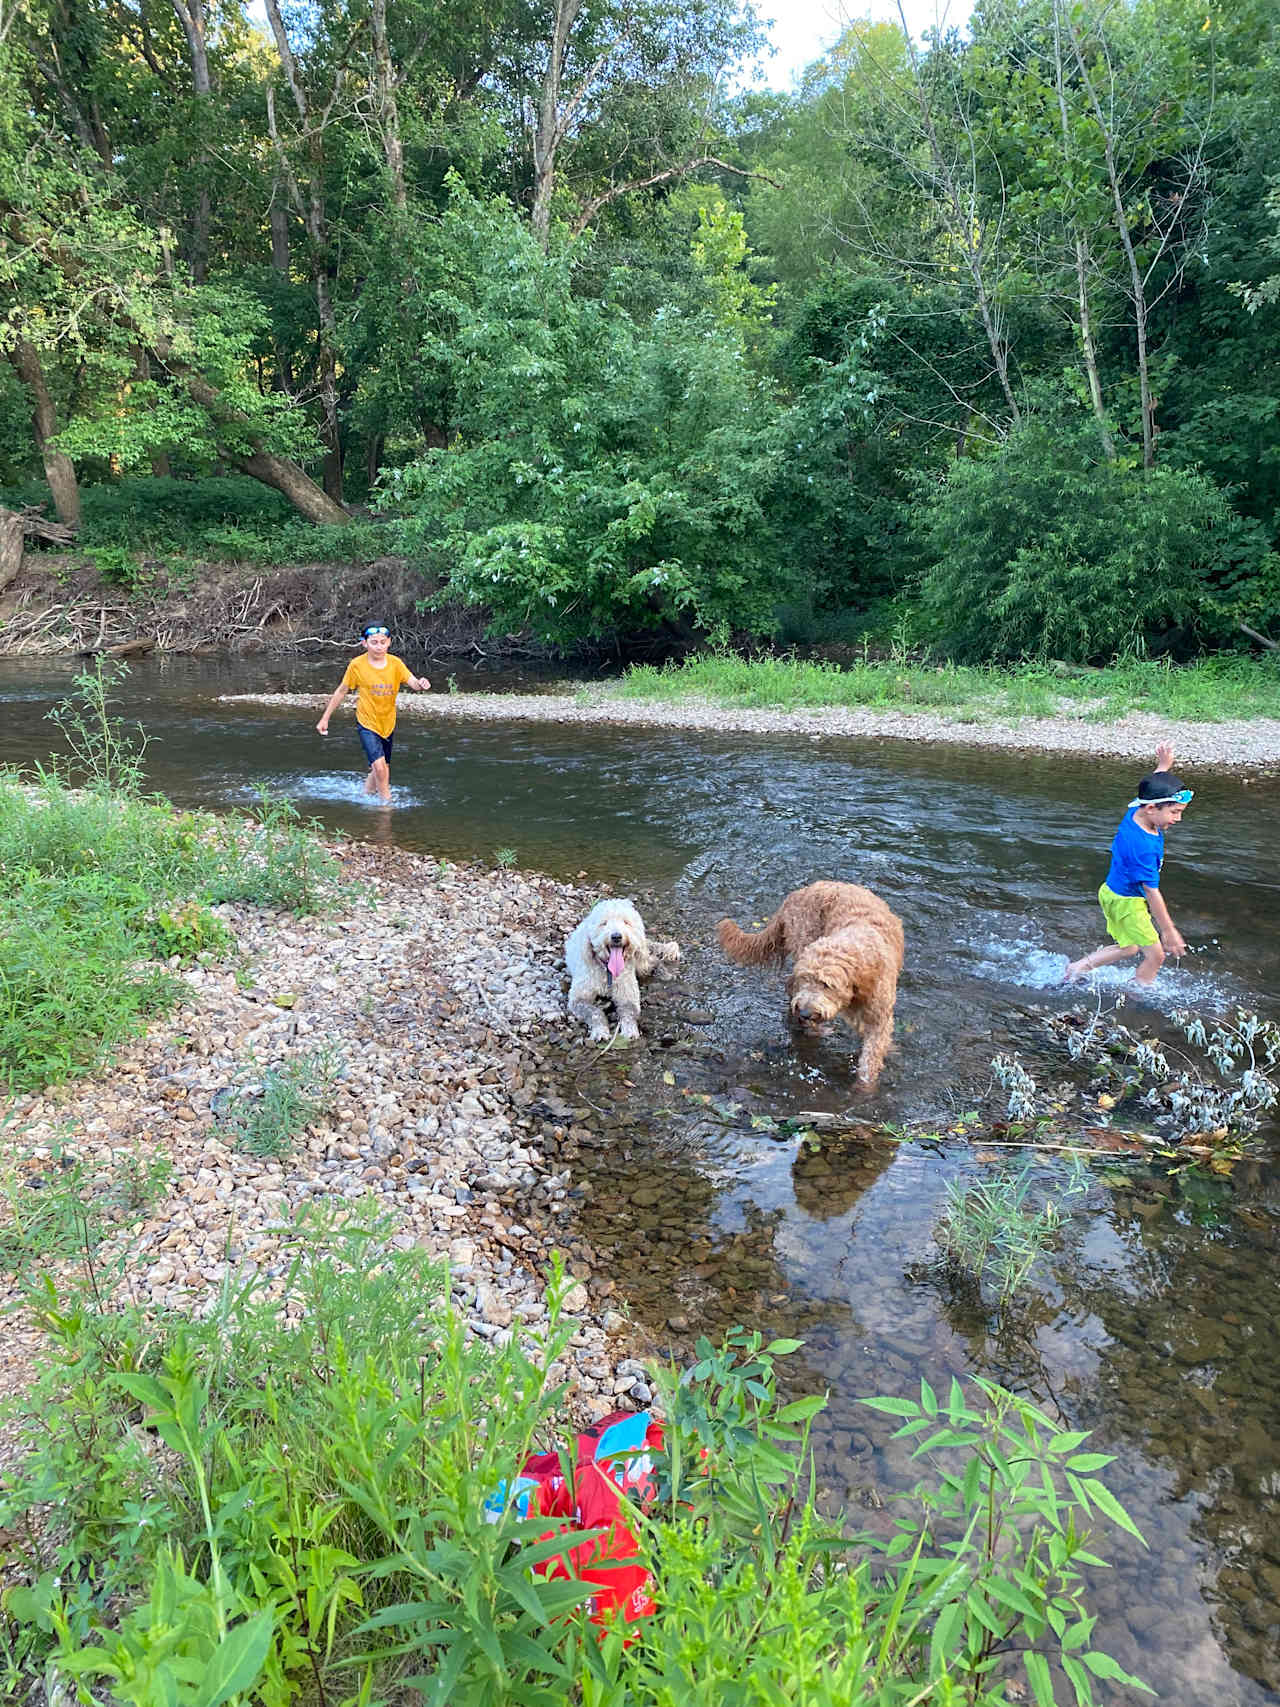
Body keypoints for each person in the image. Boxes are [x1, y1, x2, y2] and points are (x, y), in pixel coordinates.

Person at [1064, 742, 1192, 988]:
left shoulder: (1138, 810)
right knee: (1156, 954)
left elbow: (1150, 787)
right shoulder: (1141, 848)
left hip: (1112, 892)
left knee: (1129, 947)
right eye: (1175, 812)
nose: (1178, 819)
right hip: (1126, 902)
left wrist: (1164, 766)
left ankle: (1077, 967)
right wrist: (1169, 931)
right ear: (1153, 808)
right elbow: (1152, 893)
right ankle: (1138, 995)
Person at [315, 623, 430, 801]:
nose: (379, 646)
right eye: (374, 642)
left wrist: (421, 684)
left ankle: (365, 797)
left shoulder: (395, 663)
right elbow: (341, 691)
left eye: (383, 642)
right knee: (380, 768)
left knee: (383, 767)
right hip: (367, 722)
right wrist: (325, 719)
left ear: (389, 642)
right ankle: (386, 806)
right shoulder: (357, 665)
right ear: (365, 643)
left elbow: (412, 681)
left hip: (388, 723)